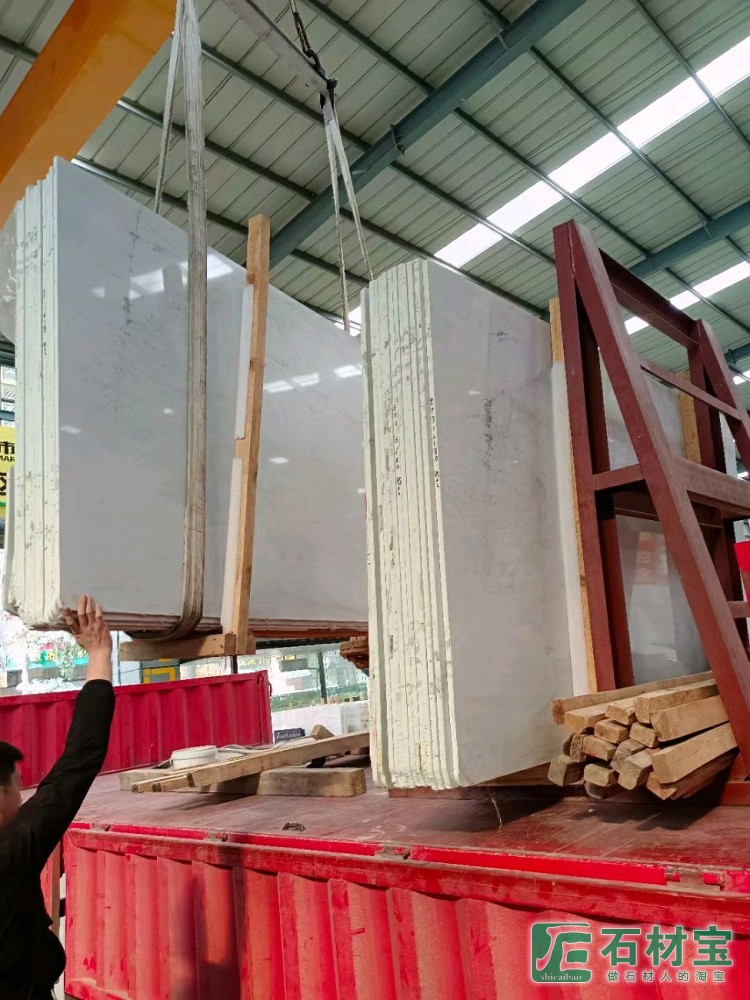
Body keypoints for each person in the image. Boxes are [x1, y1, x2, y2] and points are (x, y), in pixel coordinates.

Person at [0, 595, 115, 999]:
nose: (22, 797)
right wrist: (99, 653)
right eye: (18, 786)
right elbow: (78, 762)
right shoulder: (10, 849)